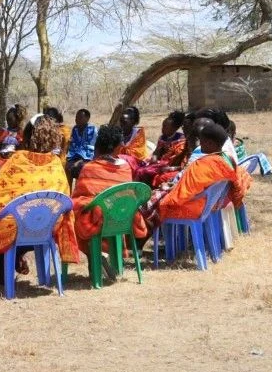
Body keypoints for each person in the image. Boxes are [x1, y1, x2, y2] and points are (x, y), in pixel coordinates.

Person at [0, 116, 80, 283]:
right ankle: (6, 269)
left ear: (27, 136)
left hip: (15, 228)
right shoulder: (56, 164)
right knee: (11, 218)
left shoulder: (16, 160)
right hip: (47, 227)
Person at [71, 125, 148, 278]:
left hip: (97, 222)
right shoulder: (125, 168)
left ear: (98, 146)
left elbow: (80, 197)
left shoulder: (90, 168)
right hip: (122, 220)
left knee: (73, 216)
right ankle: (102, 257)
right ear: (118, 147)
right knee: (94, 210)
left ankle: (94, 255)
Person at [145, 122, 250, 229]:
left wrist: (167, 195)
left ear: (209, 143)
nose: (200, 144)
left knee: (154, 204)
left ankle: (145, 233)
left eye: (201, 141)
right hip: (210, 204)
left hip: (194, 207)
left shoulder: (203, 164)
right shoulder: (226, 159)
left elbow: (183, 195)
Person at [134, 111, 188, 186]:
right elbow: (157, 151)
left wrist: (165, 165)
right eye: (163, 126)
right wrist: (154, 157)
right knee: (139, 169)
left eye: (165, 127)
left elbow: (176, 159)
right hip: (160, 163)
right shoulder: (163, 138)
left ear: (174, 128)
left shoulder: (181, 141)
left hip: (171, 165)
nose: (162, 129)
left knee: (146, 172)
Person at [65, 109, 97, 183]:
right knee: (67, 167)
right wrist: (70, 158)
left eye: (80, 117)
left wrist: (79, 161)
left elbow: (91, 149)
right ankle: (68, 189)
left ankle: (79, 188)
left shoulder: (92, 130)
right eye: (76, 117)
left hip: (87, 158)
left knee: (80, 168)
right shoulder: (75, 128)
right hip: (75, 156)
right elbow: (73, 146)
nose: (76, 119)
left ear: (87, 119)